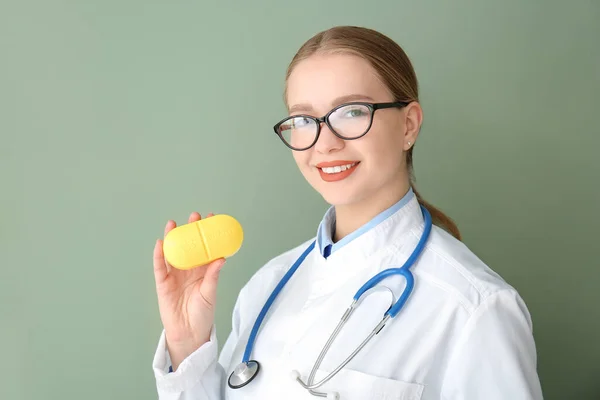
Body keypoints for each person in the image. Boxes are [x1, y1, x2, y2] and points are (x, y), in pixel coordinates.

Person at [151, 26, 543, 400]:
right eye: (304, 121)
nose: (325, 143)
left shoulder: (474, 308)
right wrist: (187, 344)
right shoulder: (267, 286)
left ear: (409, 124)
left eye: (352, 112)